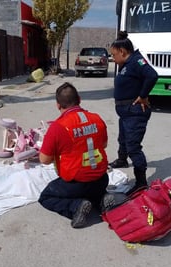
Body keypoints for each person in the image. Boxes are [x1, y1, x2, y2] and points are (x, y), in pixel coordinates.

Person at [38, 82, 115, 228]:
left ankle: (76, 206)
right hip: (101, 179)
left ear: (58, 105)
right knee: (92, 190)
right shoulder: (96, 118)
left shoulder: (58, 127)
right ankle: (101, 199)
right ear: (79, 99)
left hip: (75, 184)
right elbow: (103, 145)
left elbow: (44, 159)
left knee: (46, 197)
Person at [109, 31, 158, 195]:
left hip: (135, 112)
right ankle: (122, 160)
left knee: (133, 146)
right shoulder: (126, 64)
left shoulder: (136, 60)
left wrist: (143, 96)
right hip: (125, 112)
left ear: (122, 52)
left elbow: (152, 75)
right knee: (123, 138)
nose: (113, 59)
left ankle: (141, 182)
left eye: (114, 55)